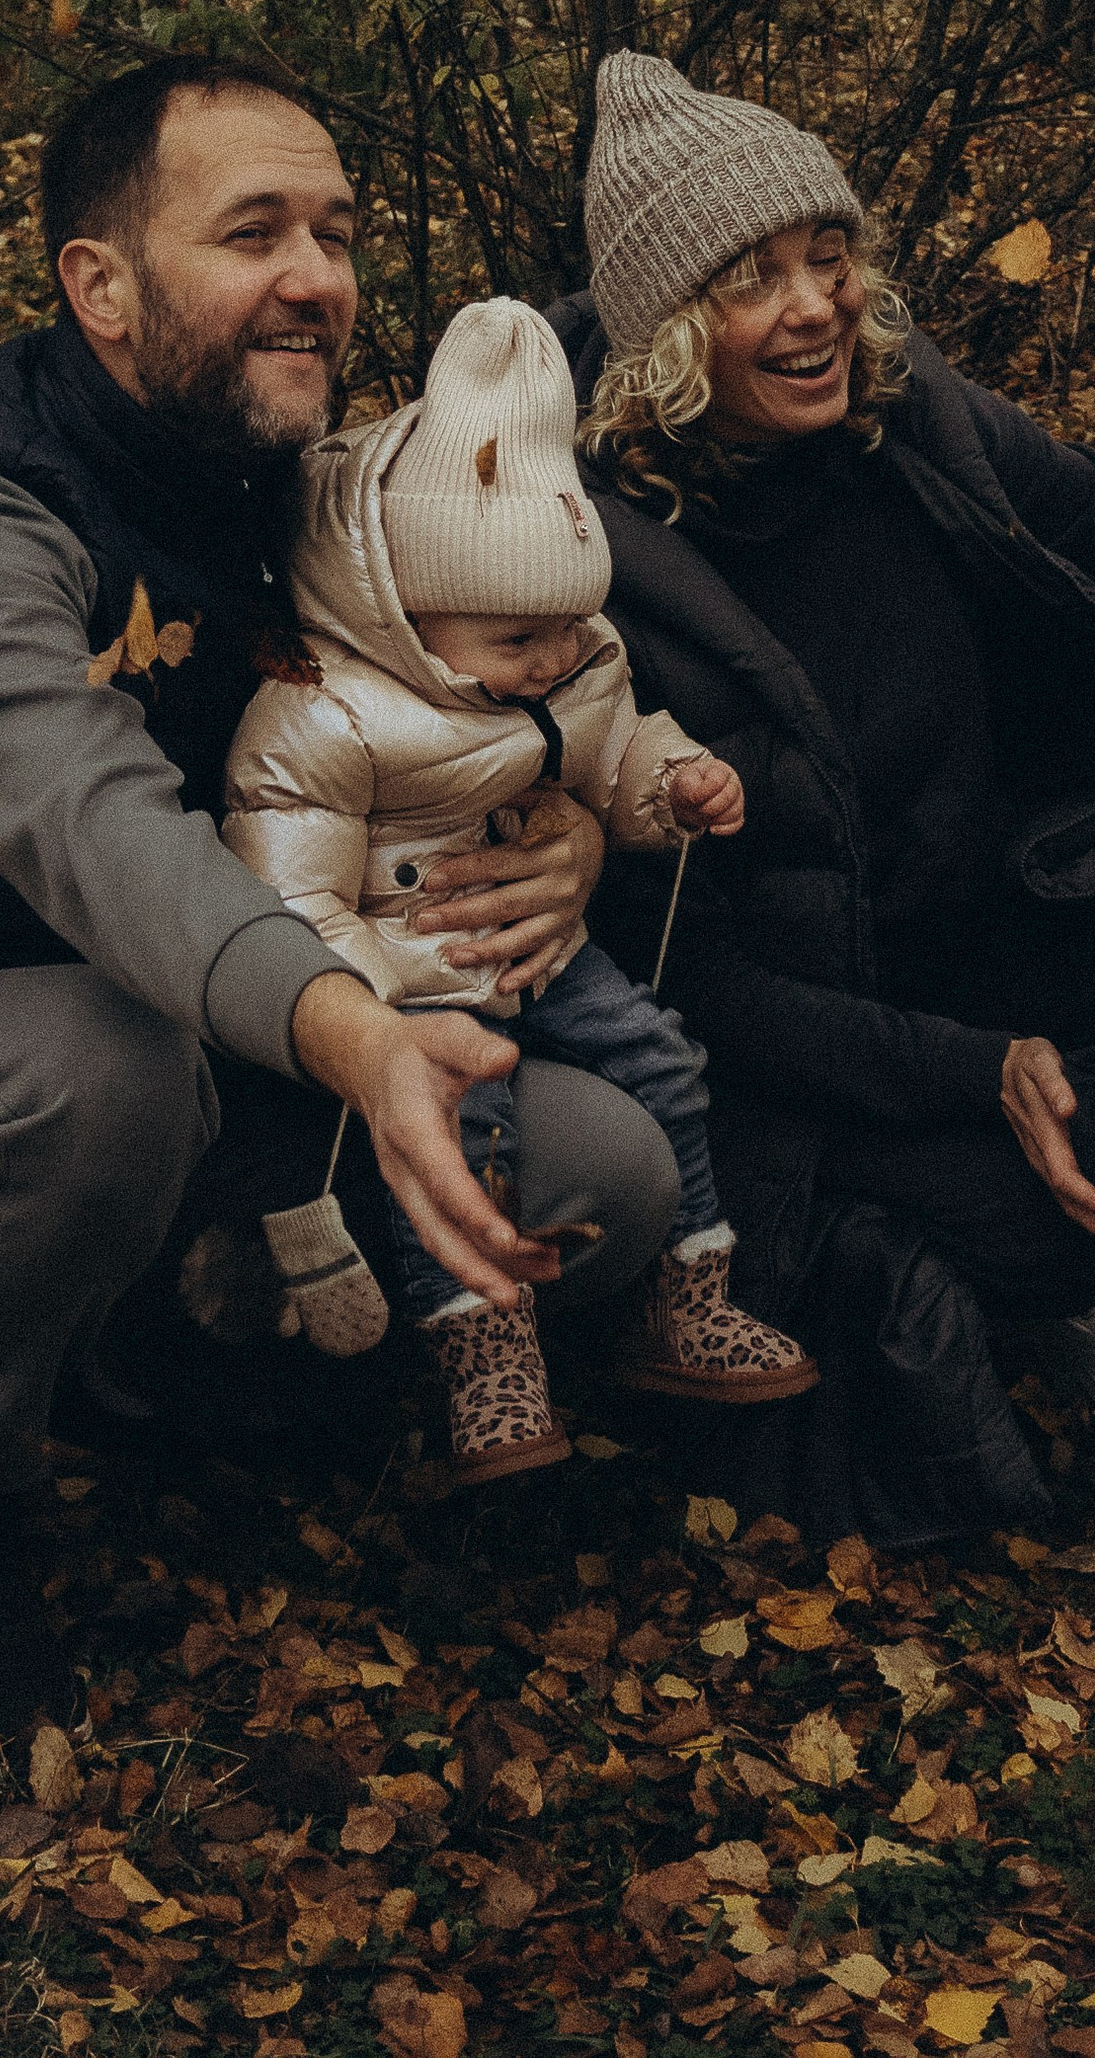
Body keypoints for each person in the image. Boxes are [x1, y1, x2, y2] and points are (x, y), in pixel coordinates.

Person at [0, 60, 681, 1742]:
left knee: (610, 1175)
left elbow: (508, 649)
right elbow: (95, 828)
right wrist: (357, 1040)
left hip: (214, 1073)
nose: (319, 276)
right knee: (96, 1060)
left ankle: (148, 1359)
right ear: (102, 287)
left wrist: (571, 815)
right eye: (255, 231)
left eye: (339, 234)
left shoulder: (288, 481)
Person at [550, 50, 1095, 1551]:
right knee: (1055, 1214)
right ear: (669, 330)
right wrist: (965, 1072)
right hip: (794, 1049)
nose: (815, 308)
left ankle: (1035, 1247)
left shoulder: (915, 419)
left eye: (828, 256)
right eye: (753, 281)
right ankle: (950, 1261)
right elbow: (680, 974)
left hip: (994, 943)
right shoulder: (592, 568)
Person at [222, 295, 819, 1477]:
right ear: (401, 614)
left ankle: (688, 1293)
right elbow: (286, 899)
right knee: (465, 1131)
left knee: (661, 1056)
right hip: (401, 973)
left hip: (543, 952)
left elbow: (612, 751)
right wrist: (389, 986)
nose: (551, 658)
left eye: (564, 626)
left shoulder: (569, 657)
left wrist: (672, 788)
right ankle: (481, 1356)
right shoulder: (328, 716)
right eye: (512, 640)